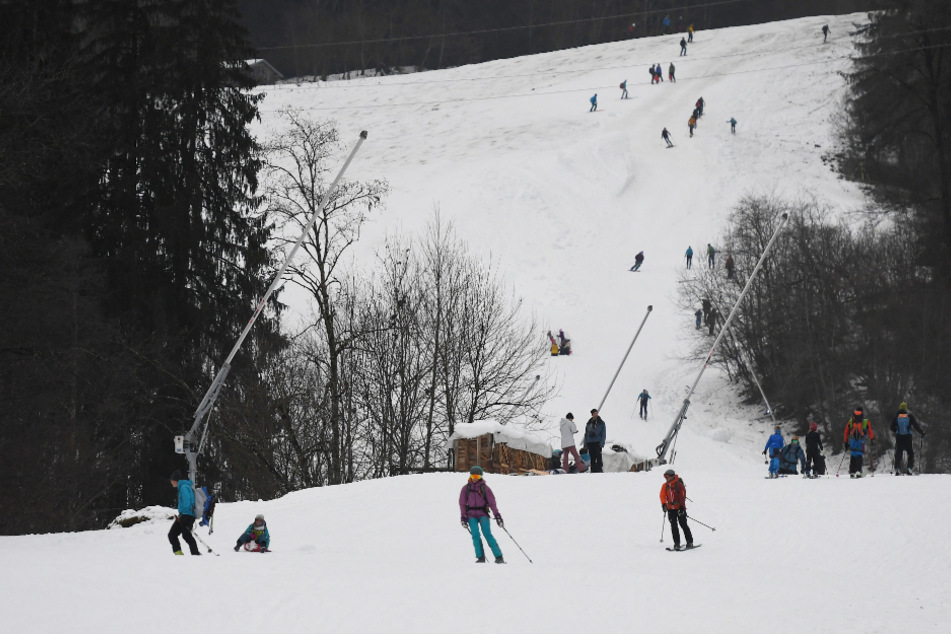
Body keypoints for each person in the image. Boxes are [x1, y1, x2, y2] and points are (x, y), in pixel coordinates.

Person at [459, 466, 505, 563]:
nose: (475, 478)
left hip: (483, 514)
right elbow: (462, 504)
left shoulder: (485, 488)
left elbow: (492, 503)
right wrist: (463, 516)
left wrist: (497, 515)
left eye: (477, 476)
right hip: (471, 515)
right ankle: (480, 557)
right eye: (473, 476)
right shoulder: (465, 489)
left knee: (487, 534)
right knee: (475, 535)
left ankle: (499, 557)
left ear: (481, 476)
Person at [168, 470, 201, 556]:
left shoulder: (184, 487)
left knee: (185, 535)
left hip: (187, 515)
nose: (171, 483)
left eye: (172, 481)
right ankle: (179, 553)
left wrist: (183, 515)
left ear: (175, 480)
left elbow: (187, 502)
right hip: (184, 515)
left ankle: (195, 554)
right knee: (173, 534)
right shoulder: (183, 487)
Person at [660, 469, 694, 550]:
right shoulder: (665, 485)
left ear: (672, 476)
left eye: (667, 477)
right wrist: (664, 504)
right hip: (670, 509)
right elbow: (662, 495)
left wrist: (682, 508)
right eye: (665, 477)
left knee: (683, 524)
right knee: (673, 526)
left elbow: (682, 497)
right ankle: (677, 543)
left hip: (679, 508)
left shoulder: (679, 485)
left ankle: (690, 542)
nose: (666, 479)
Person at [890, 402, 925, 475]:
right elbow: (916, 425)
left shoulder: (897, 416)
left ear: (900, 408)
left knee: (898, 453)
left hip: (899, 436)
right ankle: (909, 468)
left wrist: (896, 430)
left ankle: (897, 469)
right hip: (908, 437)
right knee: (910, 453)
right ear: (906, 408)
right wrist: (921, 432)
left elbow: (891, 427)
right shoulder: (909, 416)